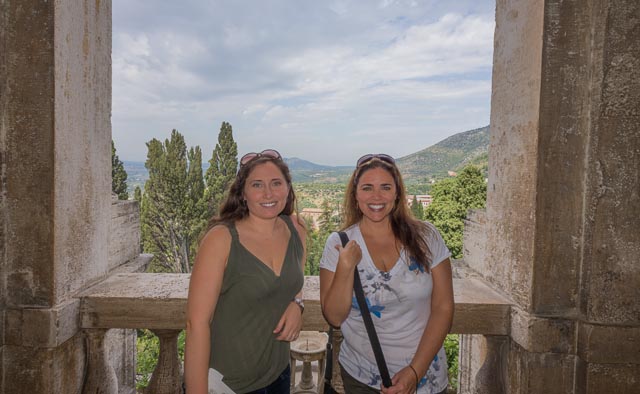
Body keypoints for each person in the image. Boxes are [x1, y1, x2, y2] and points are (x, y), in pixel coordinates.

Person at [319, 154, 454, 394]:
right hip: (363, 379)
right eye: (367, 188)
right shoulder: (338, 244)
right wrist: (345, 268)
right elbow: (335, 317)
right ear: (355, 195)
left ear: (397, 193)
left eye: (385, 187)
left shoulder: (427, 237)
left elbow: (443, 307)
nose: (376, 197)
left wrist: (415, 372)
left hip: (426, 378)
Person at [185, 149, 307, 394]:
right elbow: (196, 324)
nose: (268, 193)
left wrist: (297, 302)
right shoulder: (221, 239)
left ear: (287, 188)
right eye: (257, 185)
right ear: (243, 193)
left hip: (279, 374)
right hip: (228, 384)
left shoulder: (295, 228)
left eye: (276, 183)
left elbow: (296, 278)